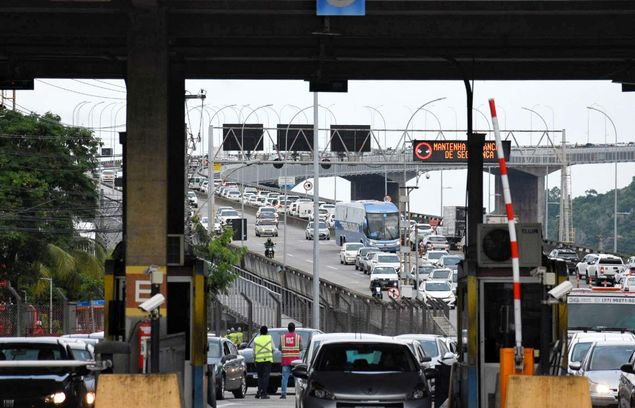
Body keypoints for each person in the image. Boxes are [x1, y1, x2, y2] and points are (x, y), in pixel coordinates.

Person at [280, 322, 302, 399]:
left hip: (285, 360)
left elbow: (280, 348)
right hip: (295, 361)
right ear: (294, 328)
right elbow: (301, 348)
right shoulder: (298, 337)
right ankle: (298, 393)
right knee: (297, 378)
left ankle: (283, 394)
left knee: (285, 377)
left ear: (288, 328)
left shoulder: (282, 337)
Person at [254, 325, 274, 399]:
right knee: (266, 377)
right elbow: (273, 349)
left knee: (260, 377)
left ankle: (259, 392)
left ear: (260, 332)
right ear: (267, 332)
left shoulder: (256, 339)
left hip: (258, 360)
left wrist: (254, 360)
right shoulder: (269, 338)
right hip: (267, 360)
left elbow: (254, 352)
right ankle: (264, 393)